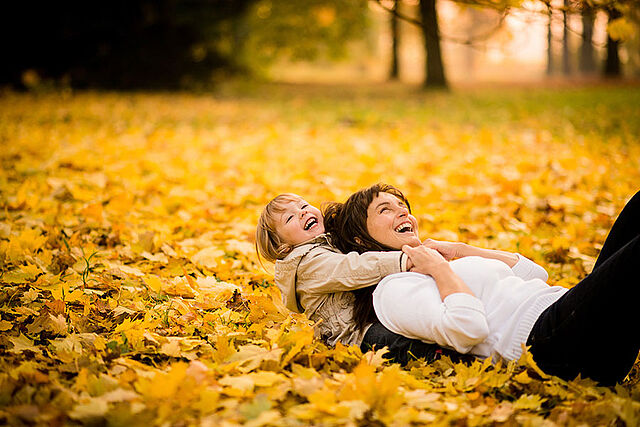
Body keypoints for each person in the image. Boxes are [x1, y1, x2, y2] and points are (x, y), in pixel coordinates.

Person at [324, 183, 640, 385]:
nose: (402, 211)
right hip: (556, 346)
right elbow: (466, 329)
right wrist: (439, 270)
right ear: (360, 239)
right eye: (385, 209)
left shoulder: (442, 260)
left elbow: (536, 275)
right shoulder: (392, 290)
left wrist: (462, 251)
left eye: (402, 206)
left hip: (567, 311)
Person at [255, 193, 455, 365]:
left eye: (304, 205)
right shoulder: (308, 265)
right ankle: (443, 358)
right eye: (290, 218)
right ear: (283, 247)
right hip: (355, 336)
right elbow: (353, 268)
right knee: (396, 342)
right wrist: (404, 260)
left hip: (369, 316)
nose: (302, 212)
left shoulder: (324, 244)